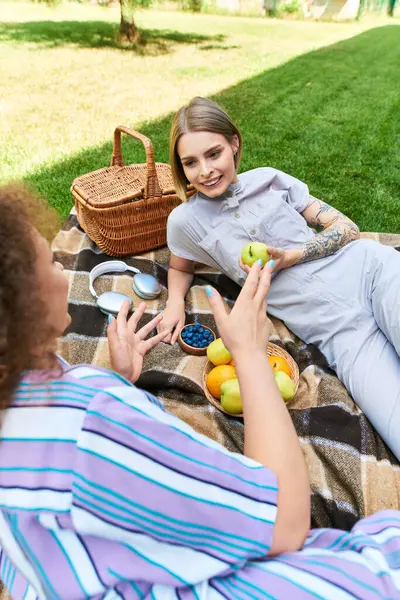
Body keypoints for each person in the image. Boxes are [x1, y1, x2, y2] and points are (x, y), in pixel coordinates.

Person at [1, 184, 400, 598]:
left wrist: (120, 379)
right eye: (49, 262)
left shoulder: (26, 396)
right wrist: (249, 354)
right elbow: (285, 523)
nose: (65, 271)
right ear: (17, 305)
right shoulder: (89, 423)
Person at [160, 96, 400, 460]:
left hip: (369, 272)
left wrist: (292, 256)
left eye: (214, 154)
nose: (205, 171)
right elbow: (180, 266)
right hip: (339, 331)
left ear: (234, 144)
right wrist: (175, 301)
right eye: (190, 163)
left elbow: (347, 228)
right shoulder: (184, 221)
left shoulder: (271, 180)